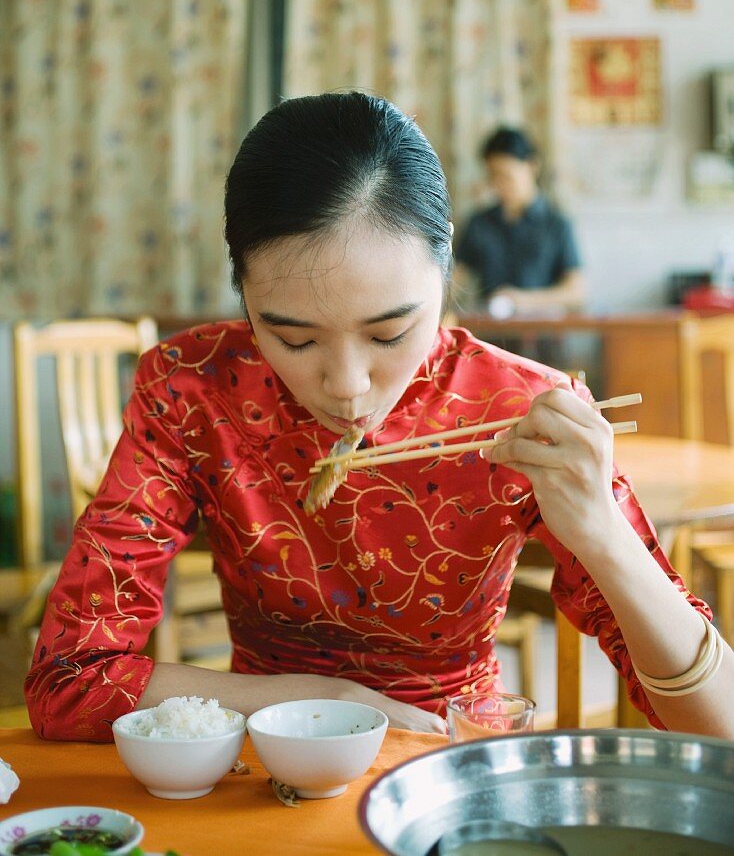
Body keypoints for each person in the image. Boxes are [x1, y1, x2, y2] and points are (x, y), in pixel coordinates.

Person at [26, 91, 733, 742]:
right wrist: (326, 699)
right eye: (294, 339)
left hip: (448, 754)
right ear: (242, 286)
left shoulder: (521, 410)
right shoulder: (193, 388)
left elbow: (716, 726)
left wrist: (604, 538)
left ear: (446, 260)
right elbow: (68, 680)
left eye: (389, 334)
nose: (347, 385)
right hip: (265, 751)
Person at [454, 126, 585, 318]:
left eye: (506, 176)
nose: (499, 185)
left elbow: (576, 292)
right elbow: (455, 280)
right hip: (491, 336)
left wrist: (525, 300)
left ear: (532, 165)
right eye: (493, 176)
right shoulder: (479, 223)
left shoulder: (556, 224)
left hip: (542, 336)